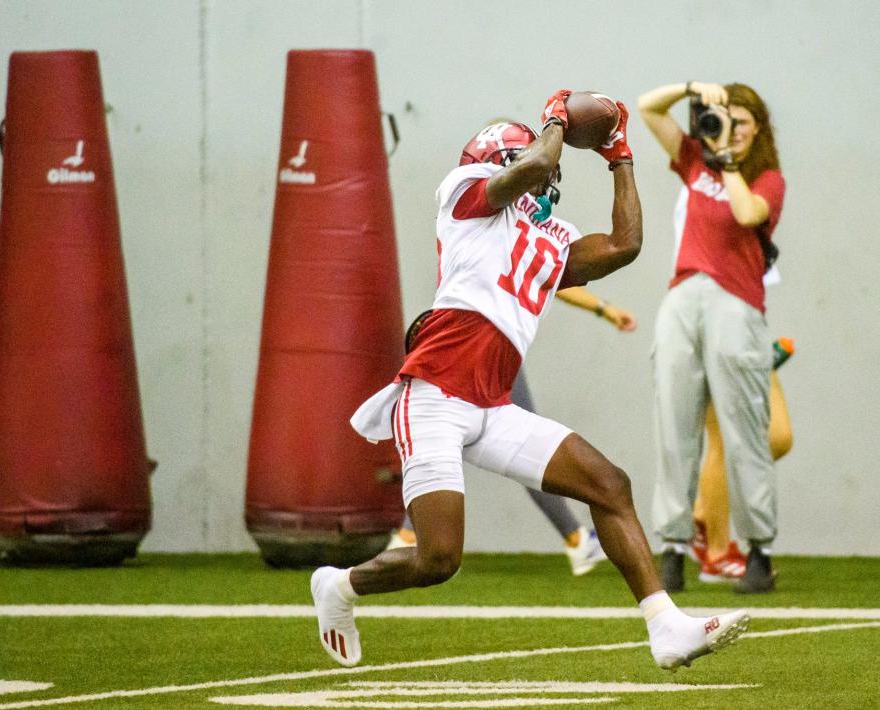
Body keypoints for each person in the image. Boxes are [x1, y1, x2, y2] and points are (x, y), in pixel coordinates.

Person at [310, 91, 748, 669]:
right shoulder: (464, 194)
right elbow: (538, 164)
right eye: (543, 164)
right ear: (501, 161)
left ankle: (665, 627)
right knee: (438, 559)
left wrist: (621, 156)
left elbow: (625, 243)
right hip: (434, 396)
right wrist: (558, 117)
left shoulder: (549, 236)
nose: (550, 179)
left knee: (609, 485)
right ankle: (338, 588)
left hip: (492, 404)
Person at [638, 81, 785, 593]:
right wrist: (689, 90)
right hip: (684, 294)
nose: (732, 130)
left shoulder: (767, 179)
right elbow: (646, 109)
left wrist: (726, 159)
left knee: (745, 432)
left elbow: (747, 214)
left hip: (736, 304)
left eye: (742, 122)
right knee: (673, 427)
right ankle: (673, 547)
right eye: (726, 119)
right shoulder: (695, 161)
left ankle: (759, 550)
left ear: (758, 128)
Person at [388, 286, 637, 579]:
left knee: (483, 438)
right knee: (524, 443)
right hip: (481, 343)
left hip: (469, 341)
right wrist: (604, 308)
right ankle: (576, 538)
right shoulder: (498, 249)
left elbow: (554, 279)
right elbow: (557, 281)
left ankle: (576, 537)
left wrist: (603, 308)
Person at [692, 340, 794, 582]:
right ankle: (717, 556)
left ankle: (700, 516)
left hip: (750, 331)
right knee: (723, 443)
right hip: (716, 335)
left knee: (779, 438)